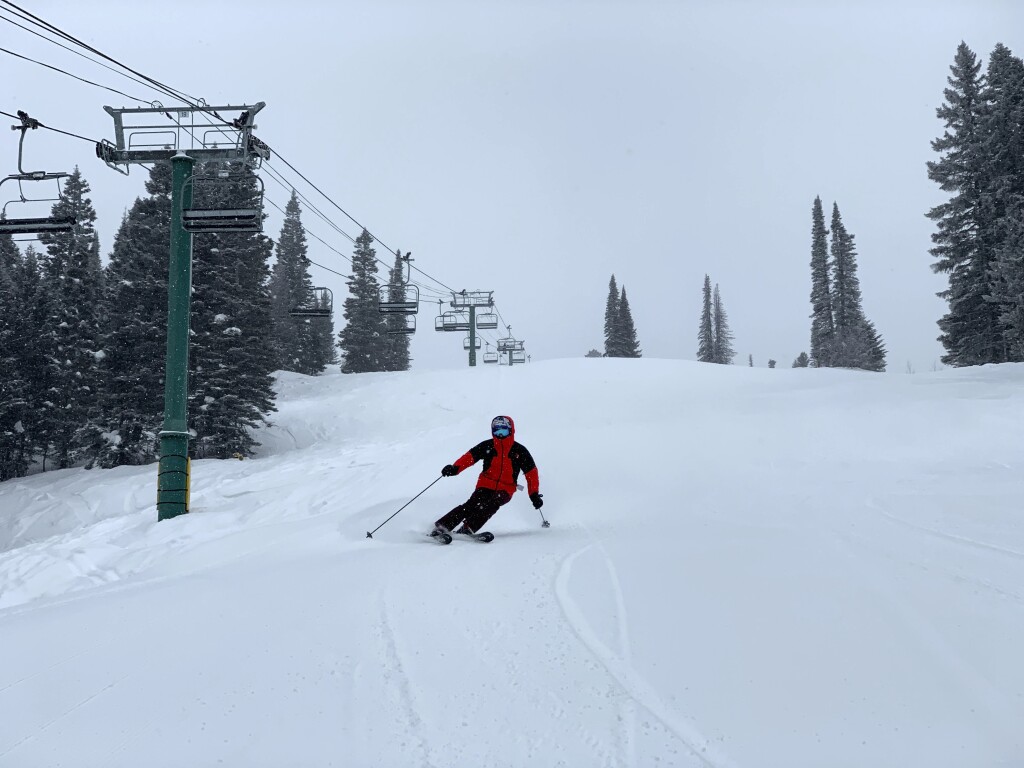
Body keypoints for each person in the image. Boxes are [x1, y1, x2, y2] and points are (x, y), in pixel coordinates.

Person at [432, 415, 543, 536]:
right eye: (497, 431)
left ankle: (468, 528)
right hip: (485, 484)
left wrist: (534, 495)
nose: (500, 434)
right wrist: (454, 468)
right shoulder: (487, 446)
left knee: (492, 503)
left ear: (511, 430)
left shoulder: (519, 451)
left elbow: (531, 474)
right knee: (471, 505)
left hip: (506, 488)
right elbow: (469, 458)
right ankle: (442, 526)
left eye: (503, 431)